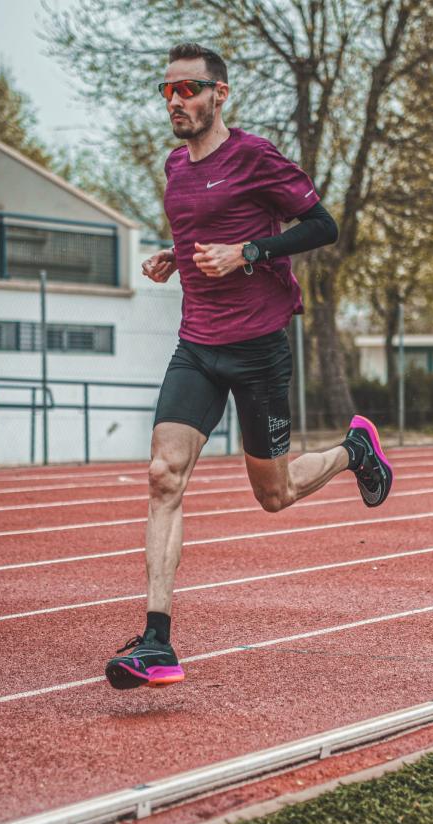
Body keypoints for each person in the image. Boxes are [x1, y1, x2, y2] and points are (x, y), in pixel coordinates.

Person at [105, 42, 393, 690]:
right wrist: (174, 257)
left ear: (219, 95)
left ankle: (355, 449)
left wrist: (251, 252)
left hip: (259, 347)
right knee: (162, 474)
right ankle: (157, 641)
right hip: (197, 345)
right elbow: (202, 226)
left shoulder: (255, 156)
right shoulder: (176, 168)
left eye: (189, 90)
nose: (176, 101)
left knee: (275, 494)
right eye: (168, 90)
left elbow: (323, 226)